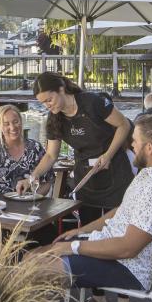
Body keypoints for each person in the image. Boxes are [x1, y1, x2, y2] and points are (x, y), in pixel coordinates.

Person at [36, 114, 152, 302]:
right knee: (37, 254)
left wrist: (74, 246)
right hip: (117, 250)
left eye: (135, 140)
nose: (131, 144)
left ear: (150, 148)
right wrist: (81, 231)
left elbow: (128, 249)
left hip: (128, 267)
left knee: (36, 268)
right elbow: (121, 210)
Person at [26, 72, 134, 222]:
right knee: (87, 230)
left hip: (115, 170)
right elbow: (51, 155)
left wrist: (108, 155)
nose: (47, 106)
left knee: (118, 226)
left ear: (61, 89)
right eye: (43, 103)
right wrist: (34, 175)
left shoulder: (93, 102)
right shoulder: (54, 120)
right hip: (86, 179)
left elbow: (124, 124)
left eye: (49, 100)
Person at [0, 104, 45, 197]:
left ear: (21, 122)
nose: (12, 127)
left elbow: (47, 181)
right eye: (6, 124)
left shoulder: (35, 148)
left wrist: (32, 198)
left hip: (27, 206)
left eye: (16, 122)